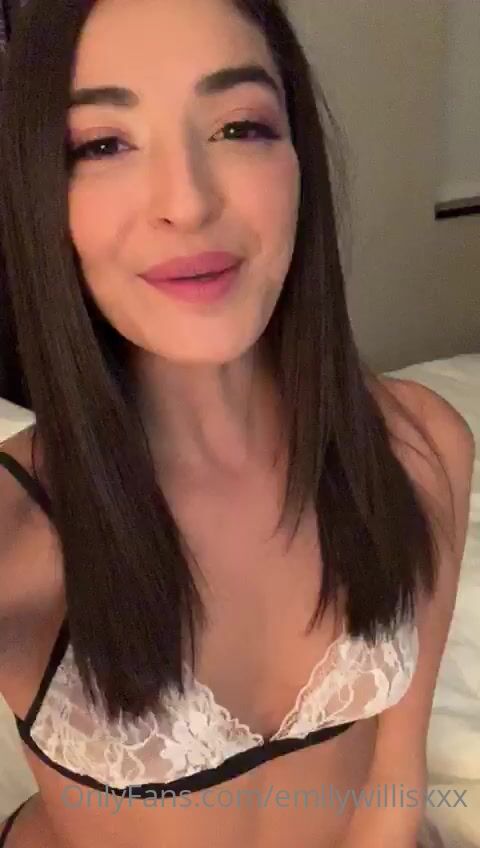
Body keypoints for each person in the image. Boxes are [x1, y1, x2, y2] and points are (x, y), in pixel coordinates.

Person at [0, 0, 475, 846]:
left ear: (298, 158)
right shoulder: (17, 529)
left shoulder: (419, 447)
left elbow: (393, 784)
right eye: (102, 144)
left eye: (238, 127)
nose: (187, 202)